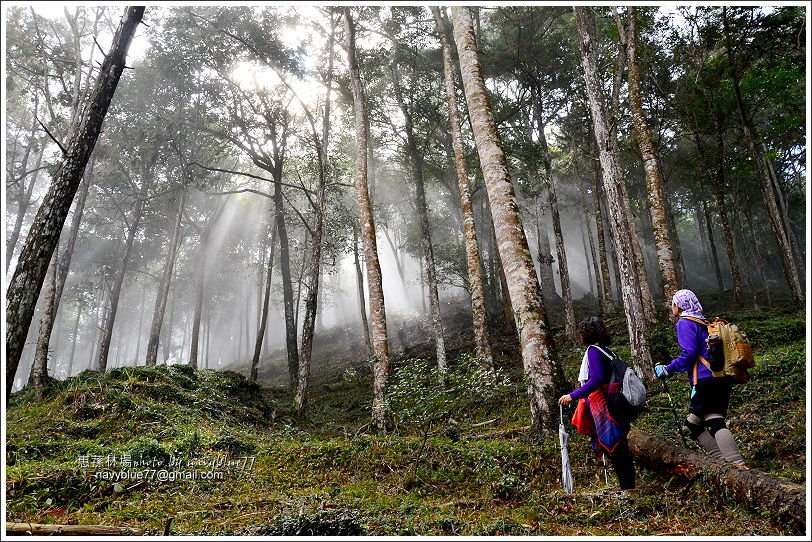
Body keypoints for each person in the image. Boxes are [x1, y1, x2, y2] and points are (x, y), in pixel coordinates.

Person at [654, 289, 746, 466]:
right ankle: (721, 464)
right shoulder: (704, 322)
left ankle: (737, 466)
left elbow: (689, 352)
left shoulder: (685, 323)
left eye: (673, 303)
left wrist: (668, 369)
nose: (672, 307)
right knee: (693, 425)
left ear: (679, 306)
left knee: (714, 420)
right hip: (720, 378)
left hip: (705, 380)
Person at [559, 316, 635, 490]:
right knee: (620, 448)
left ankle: (628, 490)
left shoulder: (594, 351)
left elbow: (596, 379)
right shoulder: (606, 351)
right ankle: (628, 488)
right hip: (617, 404)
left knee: (616, 449)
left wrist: (573, 395)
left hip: (608, 407)